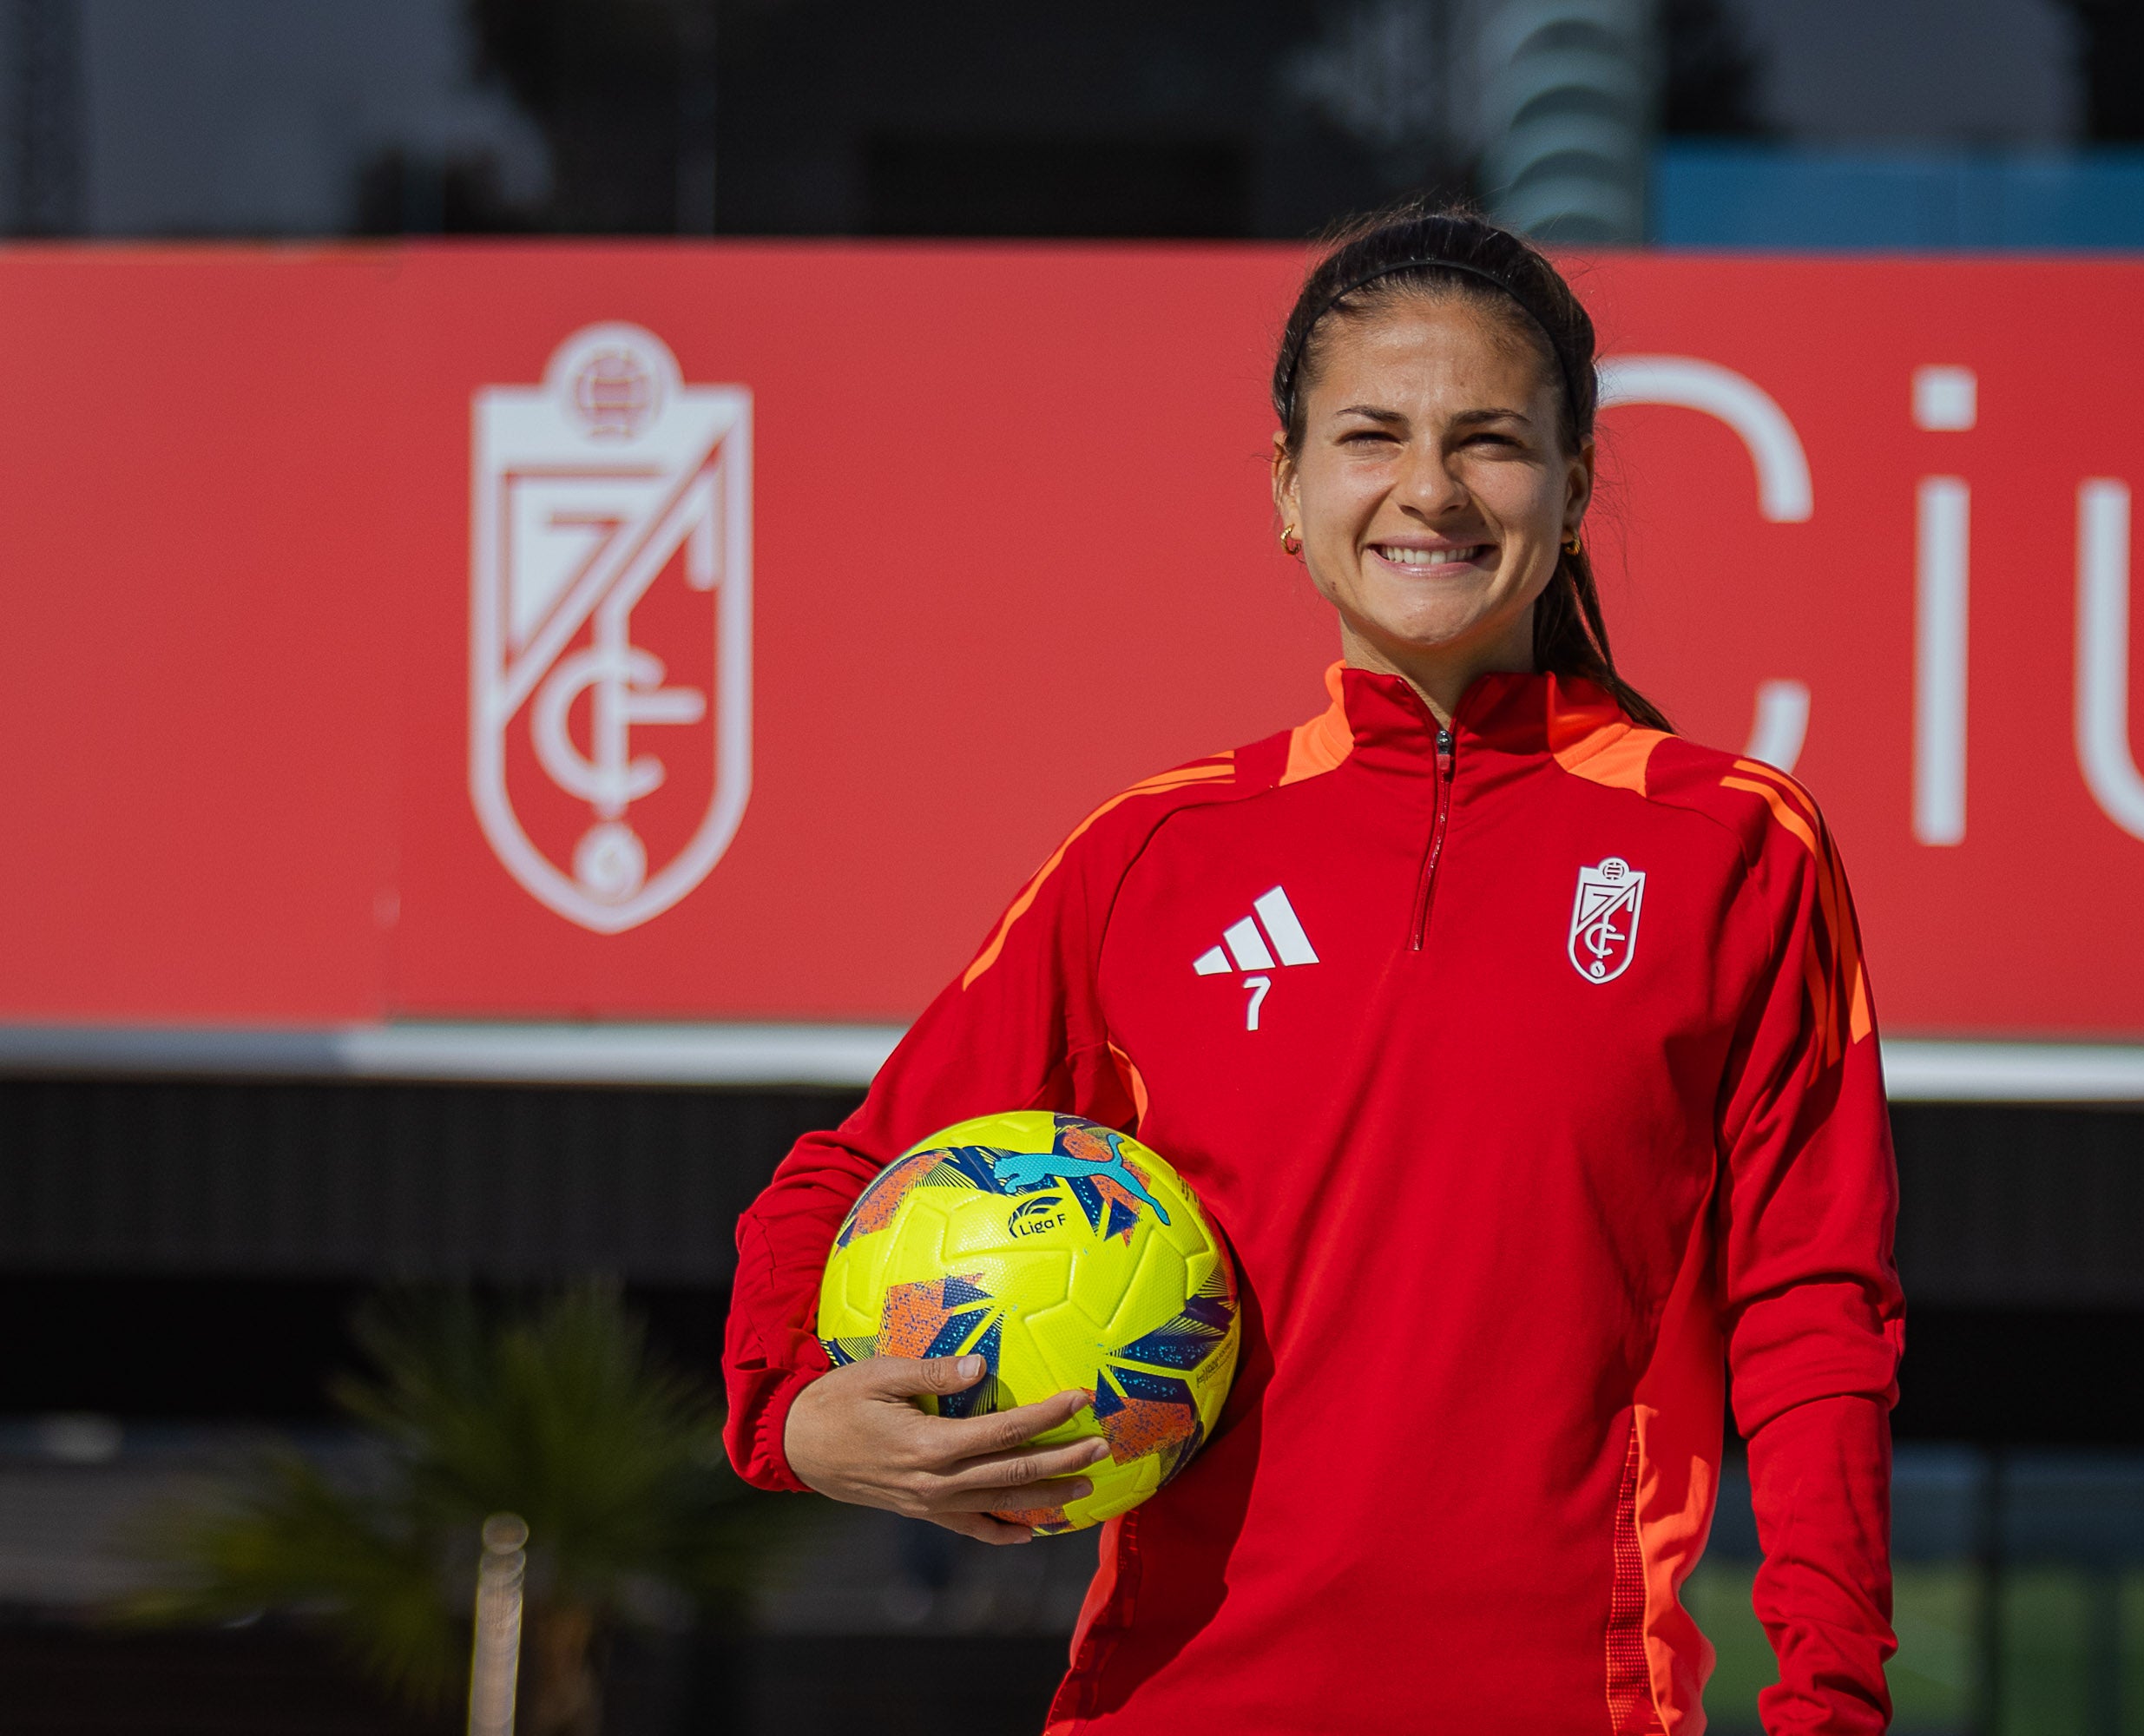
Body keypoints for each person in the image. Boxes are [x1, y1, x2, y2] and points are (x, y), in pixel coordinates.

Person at [722, 206, 1903, 1734]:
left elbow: (1815, 1318)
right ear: (1288, 486)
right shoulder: (1153, 856)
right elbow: (845, 1177)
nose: (1431, 489)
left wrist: (1830, 1704)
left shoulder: (1735, 845)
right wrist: (794, 1416)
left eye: (1490, 441)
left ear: (1573, 488)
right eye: (1371, 436)